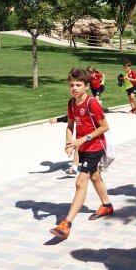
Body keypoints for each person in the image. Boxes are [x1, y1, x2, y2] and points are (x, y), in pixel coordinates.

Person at [49, 68, 113, 240]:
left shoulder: (92, 103)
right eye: (71, 85)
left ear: (86, 86)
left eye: (78, 84)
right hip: (82, 147)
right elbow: (70, 125)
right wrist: (69, 143)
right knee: (95, 177)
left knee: (80, 182)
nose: (74, 88)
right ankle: (107, 205)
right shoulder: (71, 103)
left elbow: (105, 127)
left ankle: (66, 224)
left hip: (94, 146)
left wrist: (82, 139)